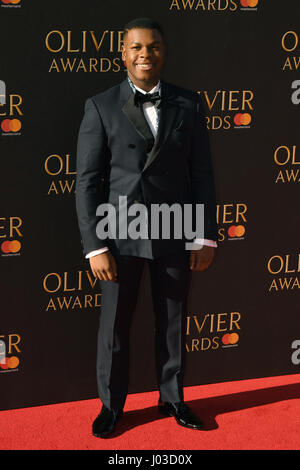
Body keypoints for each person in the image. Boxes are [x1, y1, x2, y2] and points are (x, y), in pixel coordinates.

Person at [75, 17, 218, 438]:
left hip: (175, 229)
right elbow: (87, 181)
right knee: (115, 324)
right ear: (123, 53)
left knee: (173, 319)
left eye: (152, 47)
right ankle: (111, 405)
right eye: (136, 47)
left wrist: (204, 234)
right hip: (119, 234)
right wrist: (94, 245)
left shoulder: (189, 104)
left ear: (163, 52)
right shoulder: (100, 106)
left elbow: (202, 174)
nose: (144, 55)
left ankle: (173, 397)